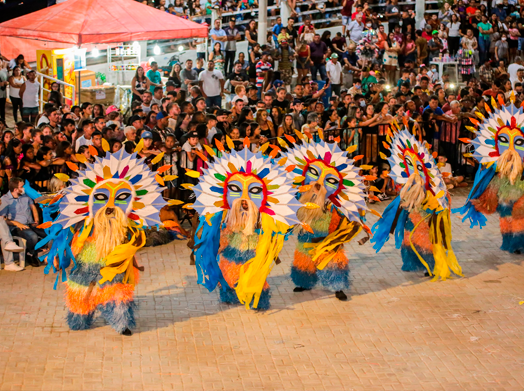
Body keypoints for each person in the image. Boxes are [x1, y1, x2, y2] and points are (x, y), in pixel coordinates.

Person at [36, 147, 166, 335]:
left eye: (121, 198)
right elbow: (67, 234)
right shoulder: (85, 223)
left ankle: (122, 322)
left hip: (115, 258)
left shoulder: (127, 226)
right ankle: (79, 317)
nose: (110, 205)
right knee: (81, 290)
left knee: (118, 289)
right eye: (101, 198)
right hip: (88, 256)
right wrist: (59, 255)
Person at [189, 146, 302, 310]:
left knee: (254, 275)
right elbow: (220, 231)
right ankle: (230, 295)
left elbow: (275, 229)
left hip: (253, 250)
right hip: (232, 249)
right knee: (228, 271)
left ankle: (256, 299)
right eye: (236, 190)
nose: (244, 199)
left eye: (254, 191)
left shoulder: (263, 218)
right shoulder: (227, 214)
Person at [456, 101, 524, 255]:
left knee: (520, 215)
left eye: (518, 142)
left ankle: (521, 244)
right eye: (504, 140)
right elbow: (487, 171)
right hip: (504, 188)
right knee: (505, 216)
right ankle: (510, 241)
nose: (510, 147)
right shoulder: (496, 161)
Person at [285, 138, 370, 301]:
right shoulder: (299, 195)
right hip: (306, 235)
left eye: (329, 180)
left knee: (333, 257)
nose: (319, 182)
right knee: (303, 255)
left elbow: (349, 217)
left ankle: (337, 286)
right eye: (314, 173)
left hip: (327, 238)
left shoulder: (336, 203)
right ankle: (305, 281)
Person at [371, 129, 462, 280]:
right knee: (409, 238)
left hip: (426, 219)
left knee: (426, 241)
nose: (414, 170)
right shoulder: (408, 182)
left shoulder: (434, 186)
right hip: (412, 216)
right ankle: (414, 262)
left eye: (418, 167)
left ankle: (431, 266)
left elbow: (442, 204)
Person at [1, 178, 45, 267]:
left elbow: (33, 207)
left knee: (47, 234)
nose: (24, 188)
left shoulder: (25, 196)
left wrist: (36, 219)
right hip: (16, 226)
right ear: (15, 189)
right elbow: (3, 219)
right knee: (32, 237)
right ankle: (30, 254)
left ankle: (36, 251)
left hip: (30, 223)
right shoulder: (5, 200)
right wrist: (17, 224)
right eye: (22, 186)